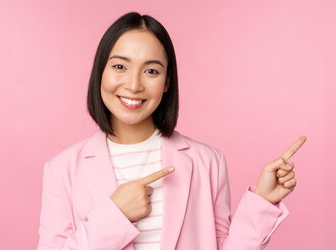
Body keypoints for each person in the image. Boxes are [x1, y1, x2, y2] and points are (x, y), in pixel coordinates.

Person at [37, 11, 306, 250]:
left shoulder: (207, 162)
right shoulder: (61, 170)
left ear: (167, 82)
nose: (133, 85)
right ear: (100, 72)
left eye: (151, 71)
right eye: (120, 66)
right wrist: (115, 214)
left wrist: (262, 201)